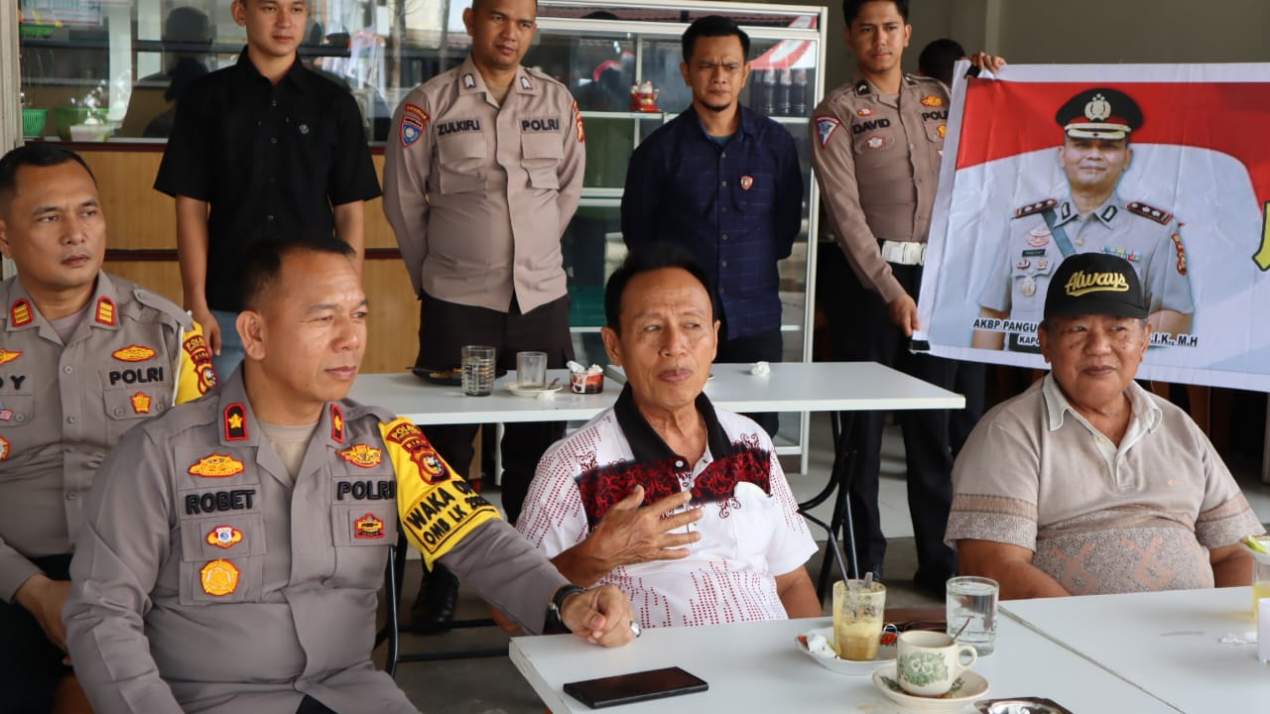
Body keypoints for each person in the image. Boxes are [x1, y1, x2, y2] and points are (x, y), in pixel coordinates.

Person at [63, 238, 635, 713]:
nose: (350, 338)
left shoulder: (384, 441)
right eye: (323, 318)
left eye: (358, 315)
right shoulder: (158, 454)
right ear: (255, 335)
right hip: (210, 700)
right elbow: (102, 614)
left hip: (352, 695)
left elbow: (478, 540)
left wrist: (566, 601)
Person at [383, 0, 584, 629]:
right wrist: (436, 278)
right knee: (446, 452)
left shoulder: (557, 102)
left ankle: (529, 581)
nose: (511, 33)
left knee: (537, 448)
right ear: (471, 20)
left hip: (539, 305)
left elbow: (567, 192)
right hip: (459, 308)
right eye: (499, 18)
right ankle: (440, 577)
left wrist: (530, 260)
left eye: (524, 23)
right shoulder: (429, 104)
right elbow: (404, 204)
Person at [0, 144, 216, 714]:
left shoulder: (169, 334)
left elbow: (207, 479)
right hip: (10, 575)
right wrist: (35, 591)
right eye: (49, 217)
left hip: (143, 576)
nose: (76, 233)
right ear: (4, 237)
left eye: (88, 212)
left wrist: (119, 600)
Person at [517, 245, 821, 629]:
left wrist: (813, 655)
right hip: (647, 666)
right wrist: (595, 557)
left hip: (769, 661)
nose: (674, 346)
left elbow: (791, 581)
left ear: (714, 338)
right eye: (651, 328)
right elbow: (511, 608)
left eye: (692, 325)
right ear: (614, 345)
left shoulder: (751, 443)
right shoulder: (576, 464)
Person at [808, 0, 1003, 595]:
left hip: (937, 282)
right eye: (867, 29)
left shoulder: (943, 96)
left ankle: (937, 560)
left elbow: (995, 150)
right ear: (850, 37)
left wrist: (993, 81)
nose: (880, 39)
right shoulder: (837, 112)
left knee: (932, 429)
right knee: (862, 434)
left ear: (907, 32)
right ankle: (862, 564)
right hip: (867, 285)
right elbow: (846, 217)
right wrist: (890, 290)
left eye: (890, 27)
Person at [948, 253, 1263, 598]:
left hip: (1192, 628)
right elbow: (993, 566)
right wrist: (1091, 629)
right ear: (1045, 342)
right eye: (1078, 329)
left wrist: (1228, 621)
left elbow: (1238, 550)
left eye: (1118, 329)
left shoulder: (1177, 426)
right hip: (1068, 630)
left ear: (1144, 341)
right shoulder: (1009, 433)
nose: (1099, 347)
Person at [156, 0, 381, 379]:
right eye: (269, 8)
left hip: (316, 307)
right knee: (224, 414)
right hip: (229, 307)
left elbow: (349, 211)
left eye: (297, 9)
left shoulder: (334, 103)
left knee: (310, 412)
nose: (285, 22)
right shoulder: (205, 99)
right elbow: (191, 206)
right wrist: (196, 302)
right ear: (240, 12)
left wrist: (348, 303)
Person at [621, 15, 802, 438]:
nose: (719, 76)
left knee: (756, 434)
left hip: (754, 320)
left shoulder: (775, 144)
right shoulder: (658, 151)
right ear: (686, 72)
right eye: (706, 66)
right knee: (678, 430)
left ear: (745, 73)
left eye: (730, 66)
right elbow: (639, 237)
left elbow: (784, 229)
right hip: (679, 327)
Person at [973, 87, 1195, 352]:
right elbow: (993, 315)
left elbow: (1177, 315)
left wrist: (1107, 341)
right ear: (1062, 154)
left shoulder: (1154, 232)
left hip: (1106, 367)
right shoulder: (1023, 226)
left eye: (1108, 146)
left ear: (1127, 157)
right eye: (1081, 144)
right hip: (1026, 367)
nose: (1094, 154)